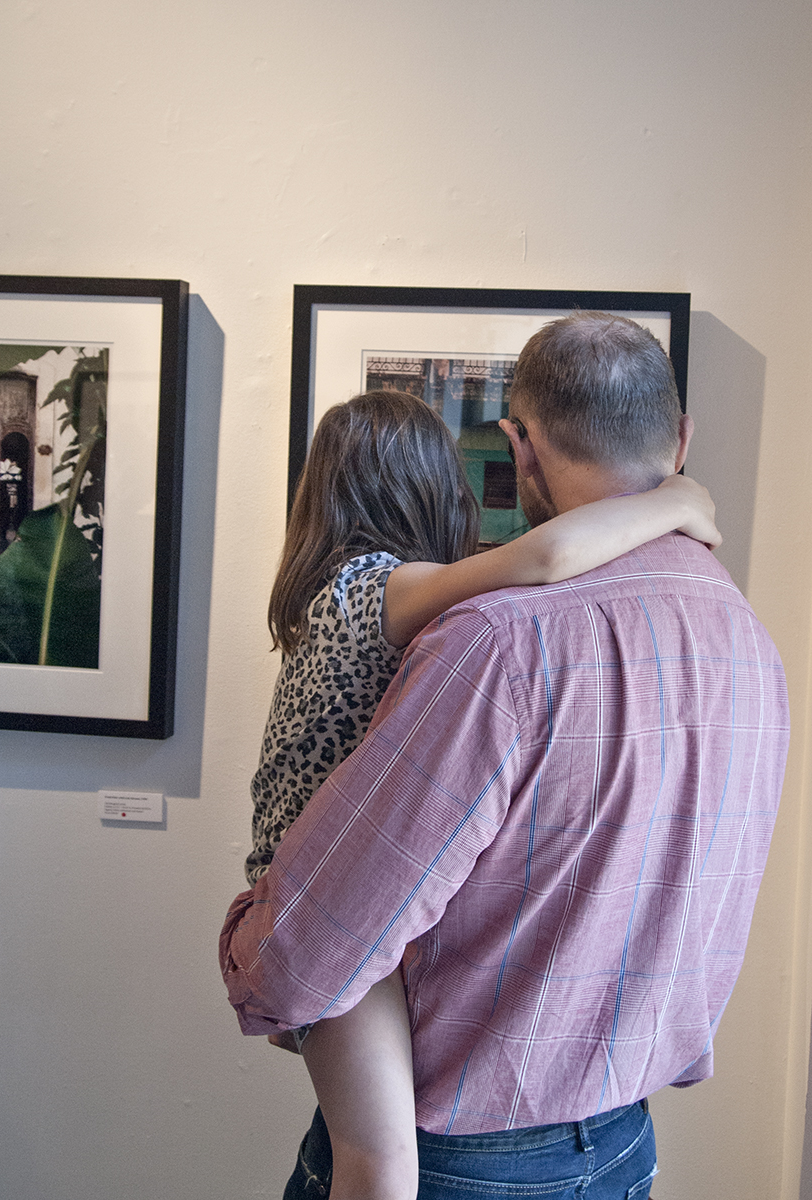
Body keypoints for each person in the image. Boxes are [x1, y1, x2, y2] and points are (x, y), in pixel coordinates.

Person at [220, 341, 775, 1200]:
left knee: (379, 1161)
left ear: (520, 446)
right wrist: (679, 499)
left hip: (468, 1158)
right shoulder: (739, 631)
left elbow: (304, 963)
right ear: (680, 437)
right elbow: (545, 556)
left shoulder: (496, 643)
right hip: (620, 1138)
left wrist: (249, 947)